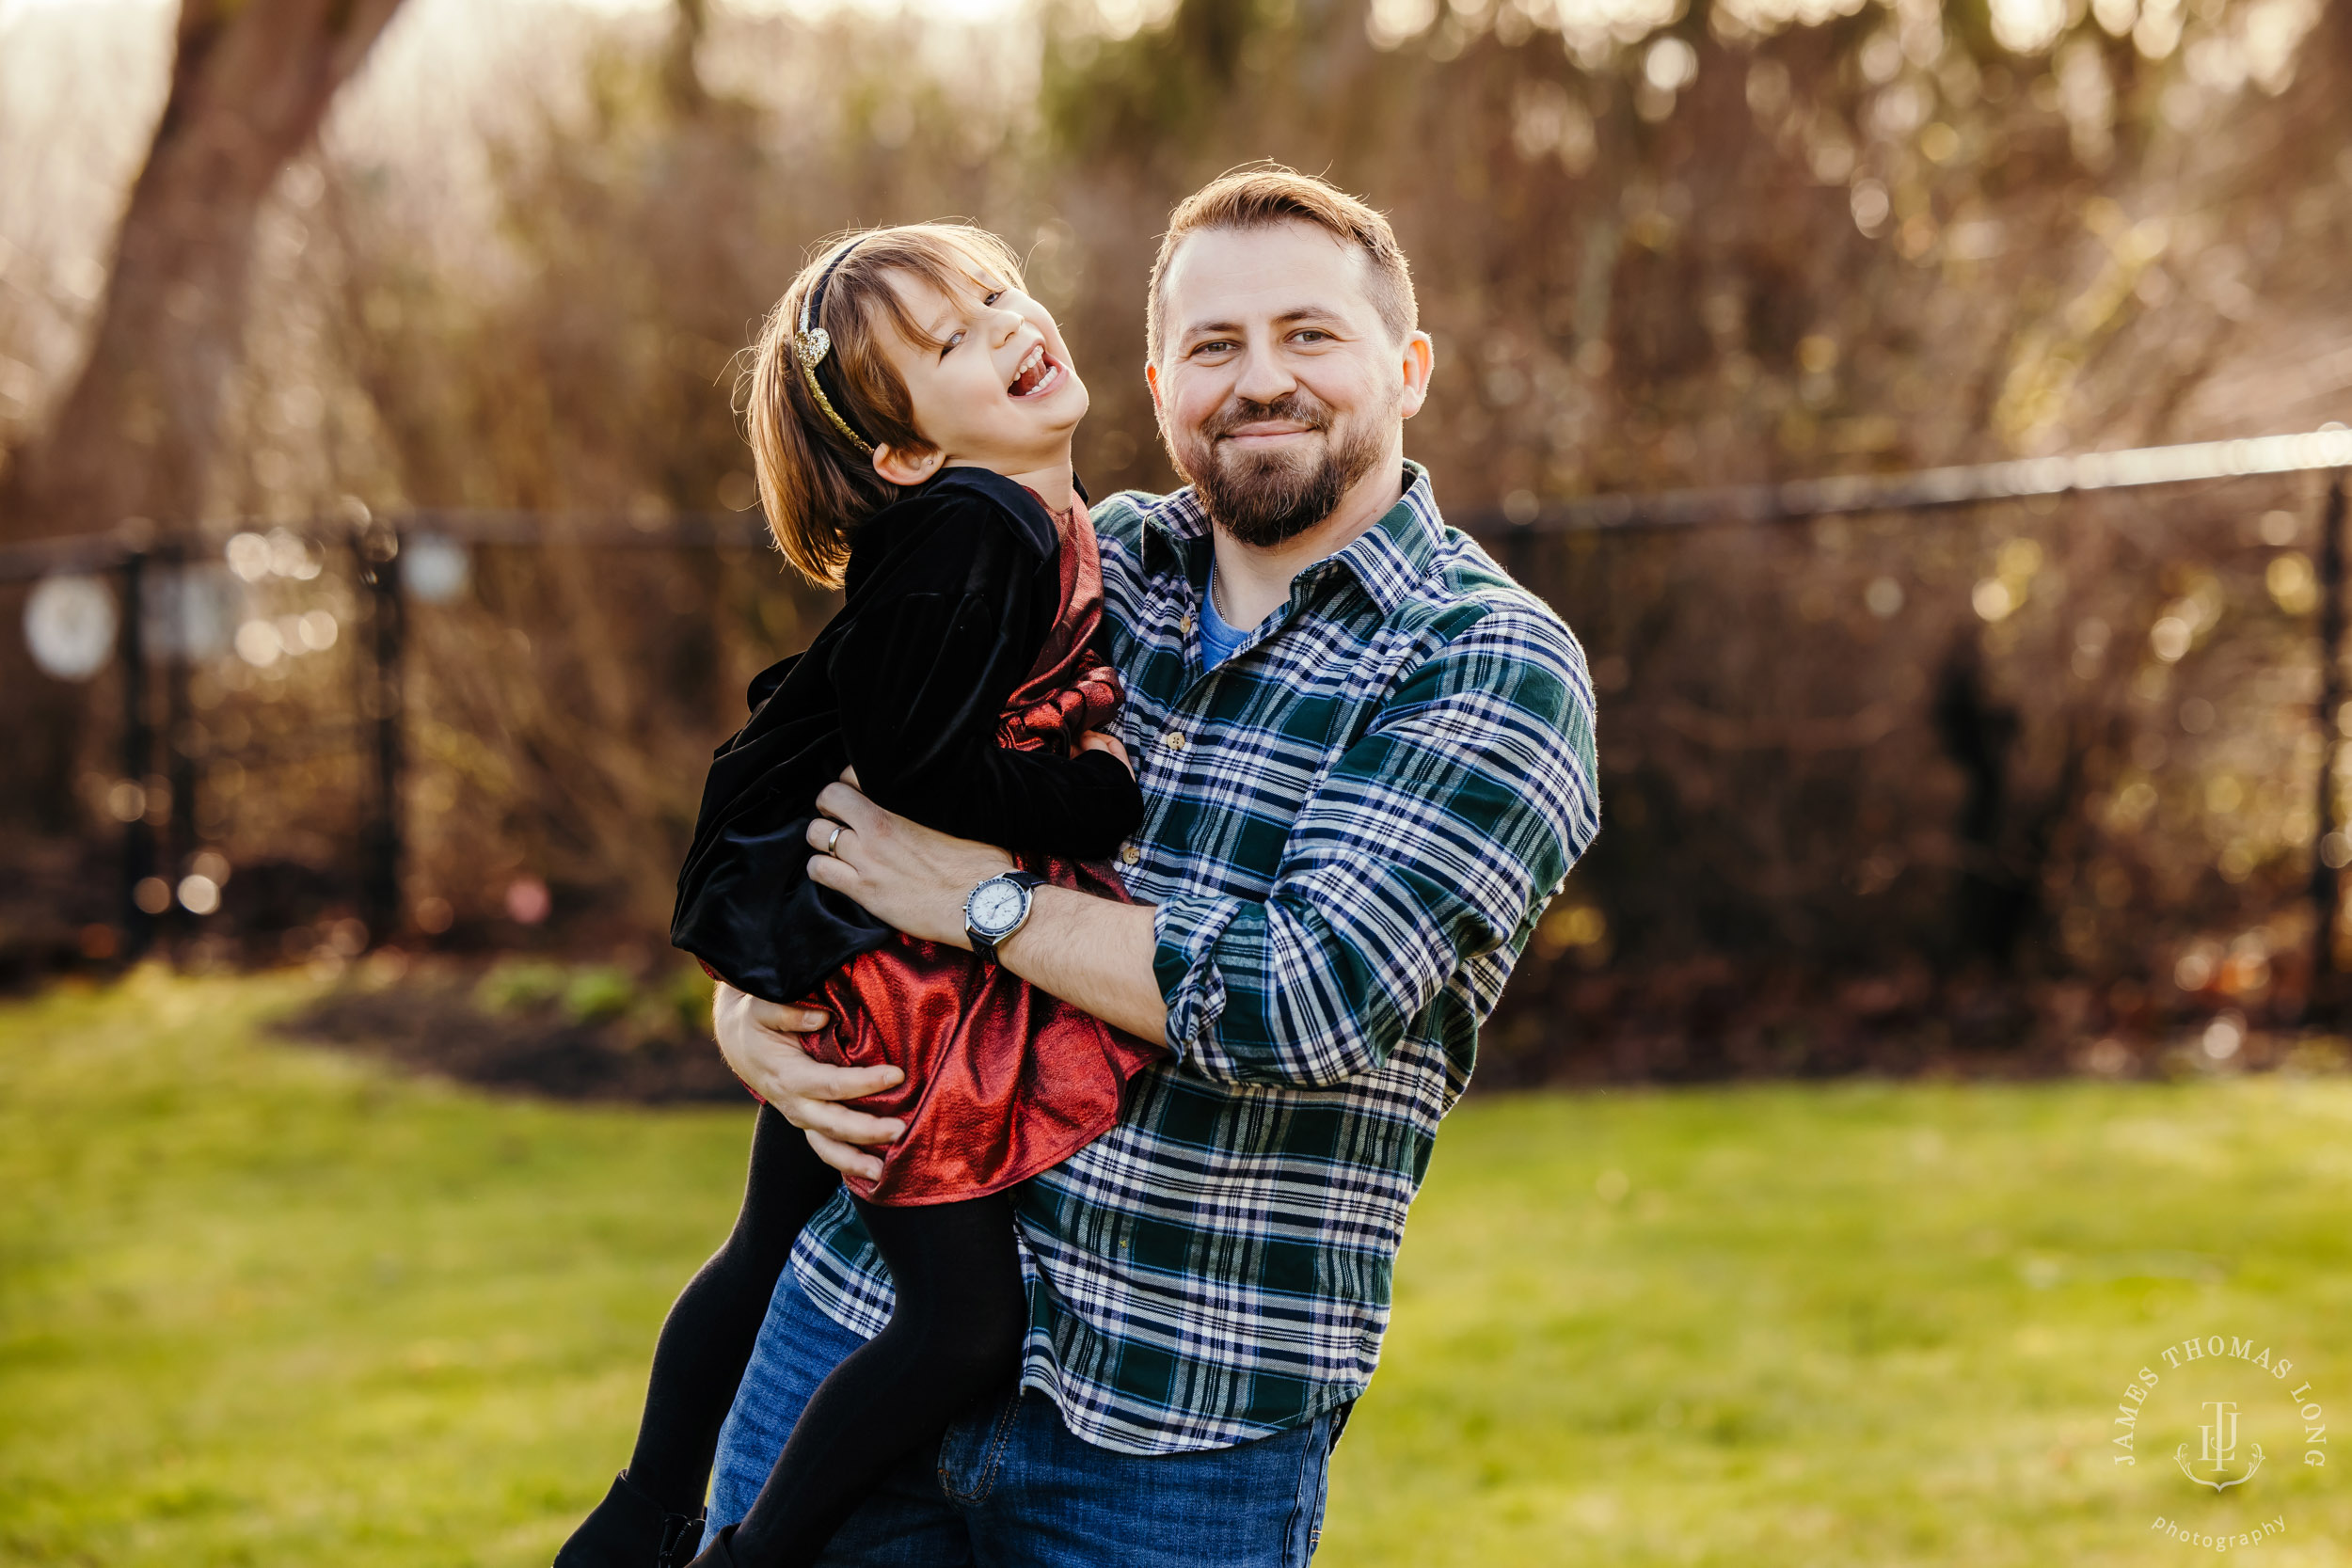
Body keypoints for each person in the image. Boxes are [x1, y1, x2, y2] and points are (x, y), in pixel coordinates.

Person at [703, 168, 1602, 1565]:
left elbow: (1293, 1001)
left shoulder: (1490, 663)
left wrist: (979, 903)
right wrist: (752, 1014)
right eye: (1215, 346)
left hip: (1174, 1438)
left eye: (1311, 335)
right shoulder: (1072, 561)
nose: (1262, 382)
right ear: (1158, 378)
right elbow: (814, 783)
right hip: (855, 1336)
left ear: (1407, 367)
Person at [556, 222, 1161, 1568]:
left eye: (998, 295)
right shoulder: (979, 523)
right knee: (962, 1330)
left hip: (858, 947)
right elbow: (913, 766)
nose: (1006, 325)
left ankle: (639, 1514)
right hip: (889, 970)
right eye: (952, 340)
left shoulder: (1024, 519)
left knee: (770, 1230)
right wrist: (1091, 799)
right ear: (903, 457)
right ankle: (745, 1551)